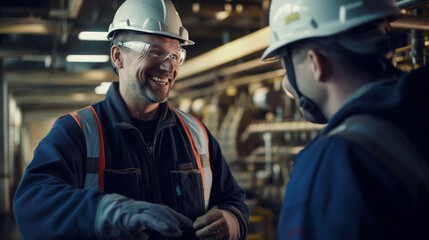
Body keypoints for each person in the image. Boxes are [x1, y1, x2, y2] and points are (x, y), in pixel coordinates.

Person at [13, 0, 249, 239]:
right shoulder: (78, 131)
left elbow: (233, 199)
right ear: (118, 56)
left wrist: (234, 220)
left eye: (176, 55)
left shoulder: (195, 133)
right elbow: (31, 205)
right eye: (155, 51)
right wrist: (105, 211)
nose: (169, 66)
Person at [261, 0, 429, 239]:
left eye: (285, 63)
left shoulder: (333, 163)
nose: (288, 83)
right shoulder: (417, 112)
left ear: (314, 62)